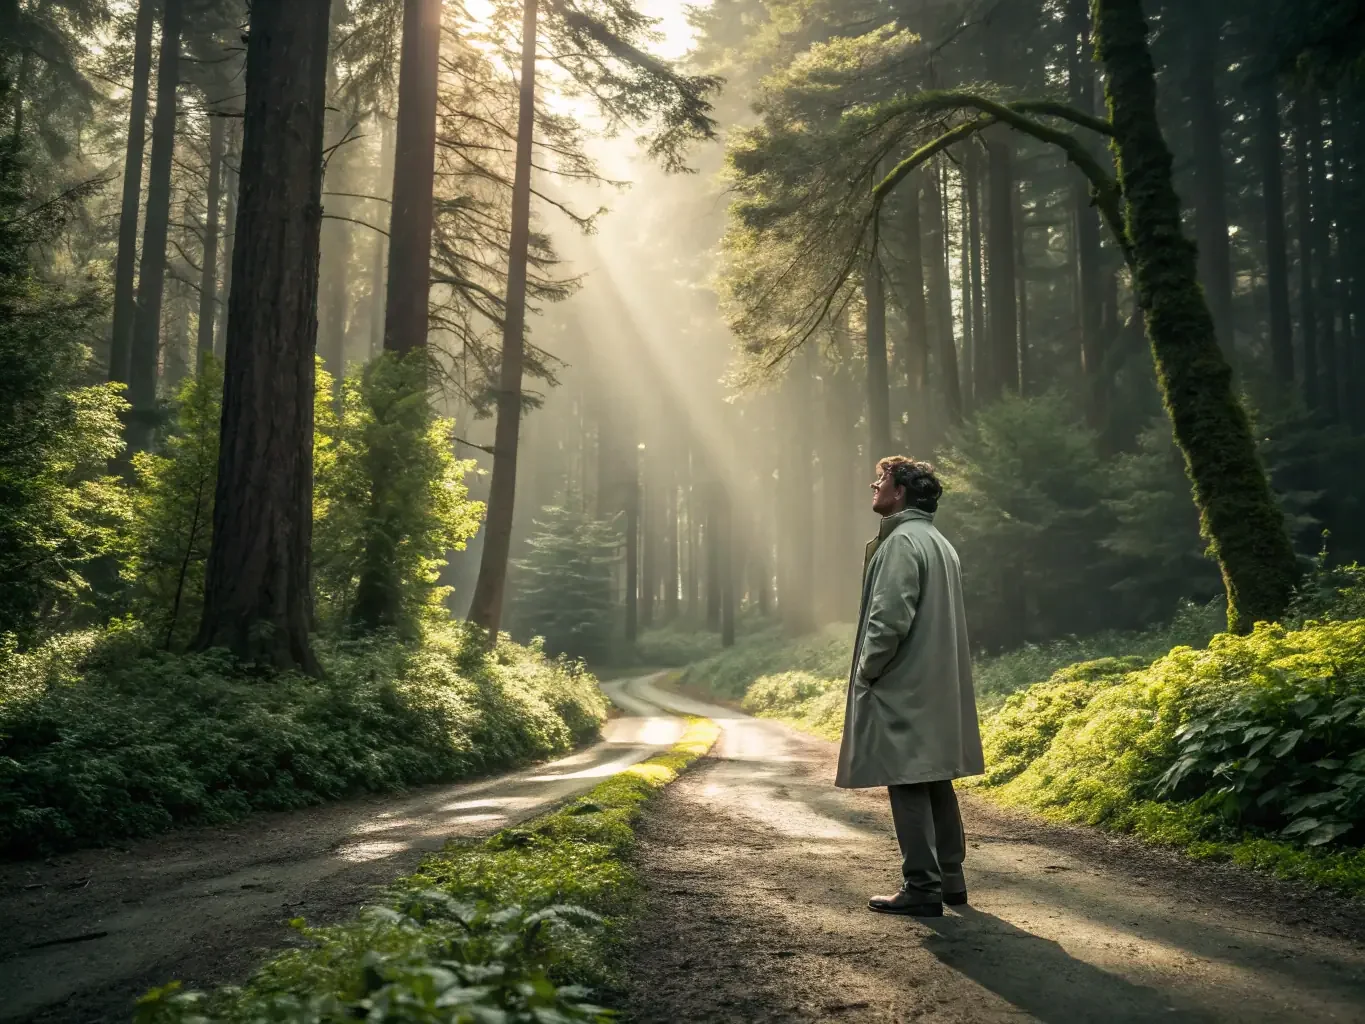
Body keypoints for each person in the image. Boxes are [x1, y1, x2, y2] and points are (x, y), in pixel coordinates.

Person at [835, 456, 984, 917]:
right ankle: (951, 880)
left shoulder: (901, 543)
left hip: (905, 683)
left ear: (899, 492)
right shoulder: (939, 542)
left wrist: (867, 671)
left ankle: (921, 884)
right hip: (935, 683)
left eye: (881, 480)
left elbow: (889, 619)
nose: (873, 485)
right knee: (935, 777)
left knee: (906, 781)